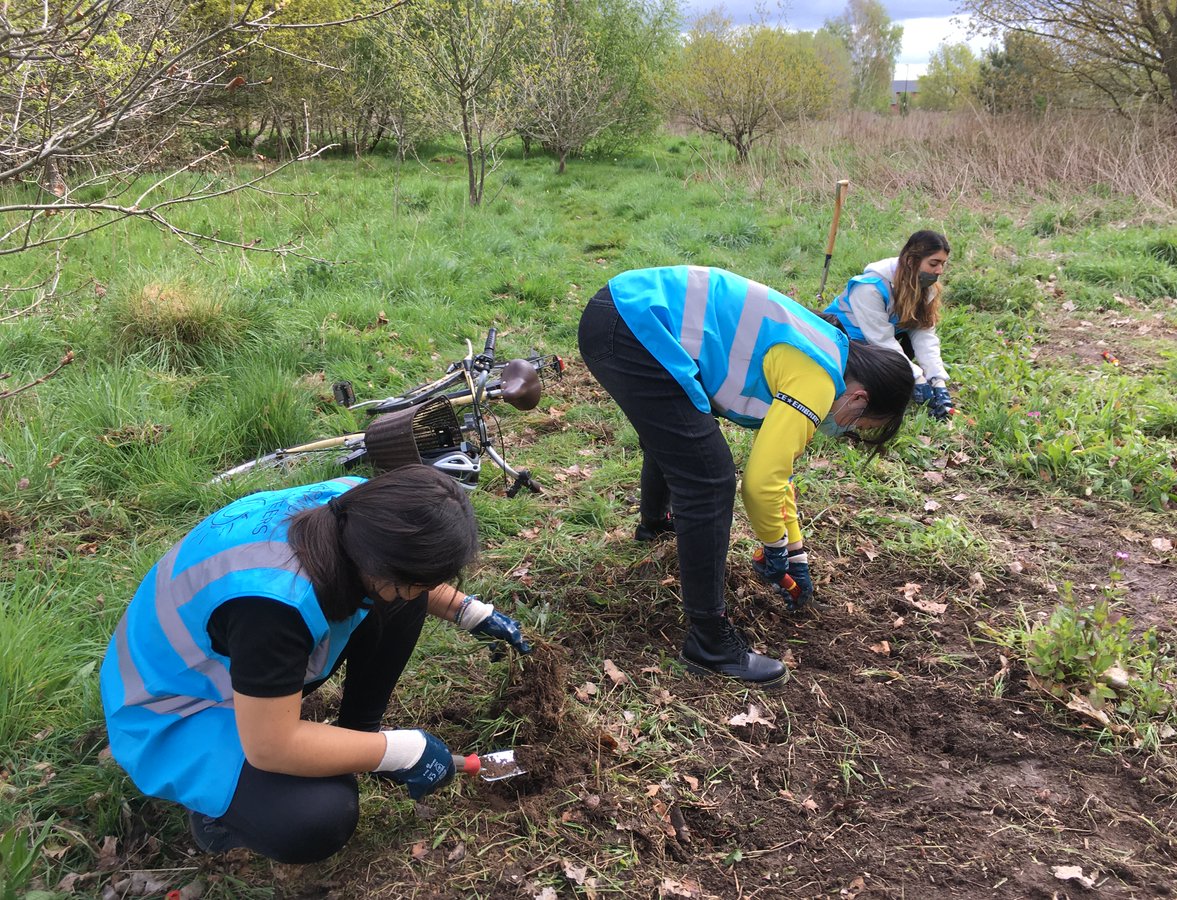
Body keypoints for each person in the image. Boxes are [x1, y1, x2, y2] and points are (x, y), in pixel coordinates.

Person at [100, 466, 532, 865]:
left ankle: (357, 736)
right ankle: (220, 813)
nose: (424, 588)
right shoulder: (273, 607)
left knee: (401, 603)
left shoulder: (353, 505)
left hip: (237, 660)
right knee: (318, 815)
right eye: (420, 578)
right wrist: (400, 750)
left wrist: (468, 611)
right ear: (381, 564)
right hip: (173, 708)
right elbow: (271, 746)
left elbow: (406, 581)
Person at [577, 265, 914, 688]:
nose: (843, 431)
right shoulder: (819, 380)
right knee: (709, 476)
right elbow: (760, 484)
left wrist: (795, 553)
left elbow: (780, 473)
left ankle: (655, 527)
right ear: (859, 398)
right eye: (857, 426)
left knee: (683, 440)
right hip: (632, 326)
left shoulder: (829, 350)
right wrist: (774, 550)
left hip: (625, 311)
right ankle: (710, 642)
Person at [824, 230, 955, 420]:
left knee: (905, 350)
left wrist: (938, 381)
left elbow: (924, 334)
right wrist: (916, 377)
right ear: (911, 261)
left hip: (873, 343)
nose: (939, 271)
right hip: (841, 342)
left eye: (943, 264)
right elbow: (880, 340)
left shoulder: (925, 288)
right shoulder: (869, 288)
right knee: (874, 383)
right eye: (933, 264)